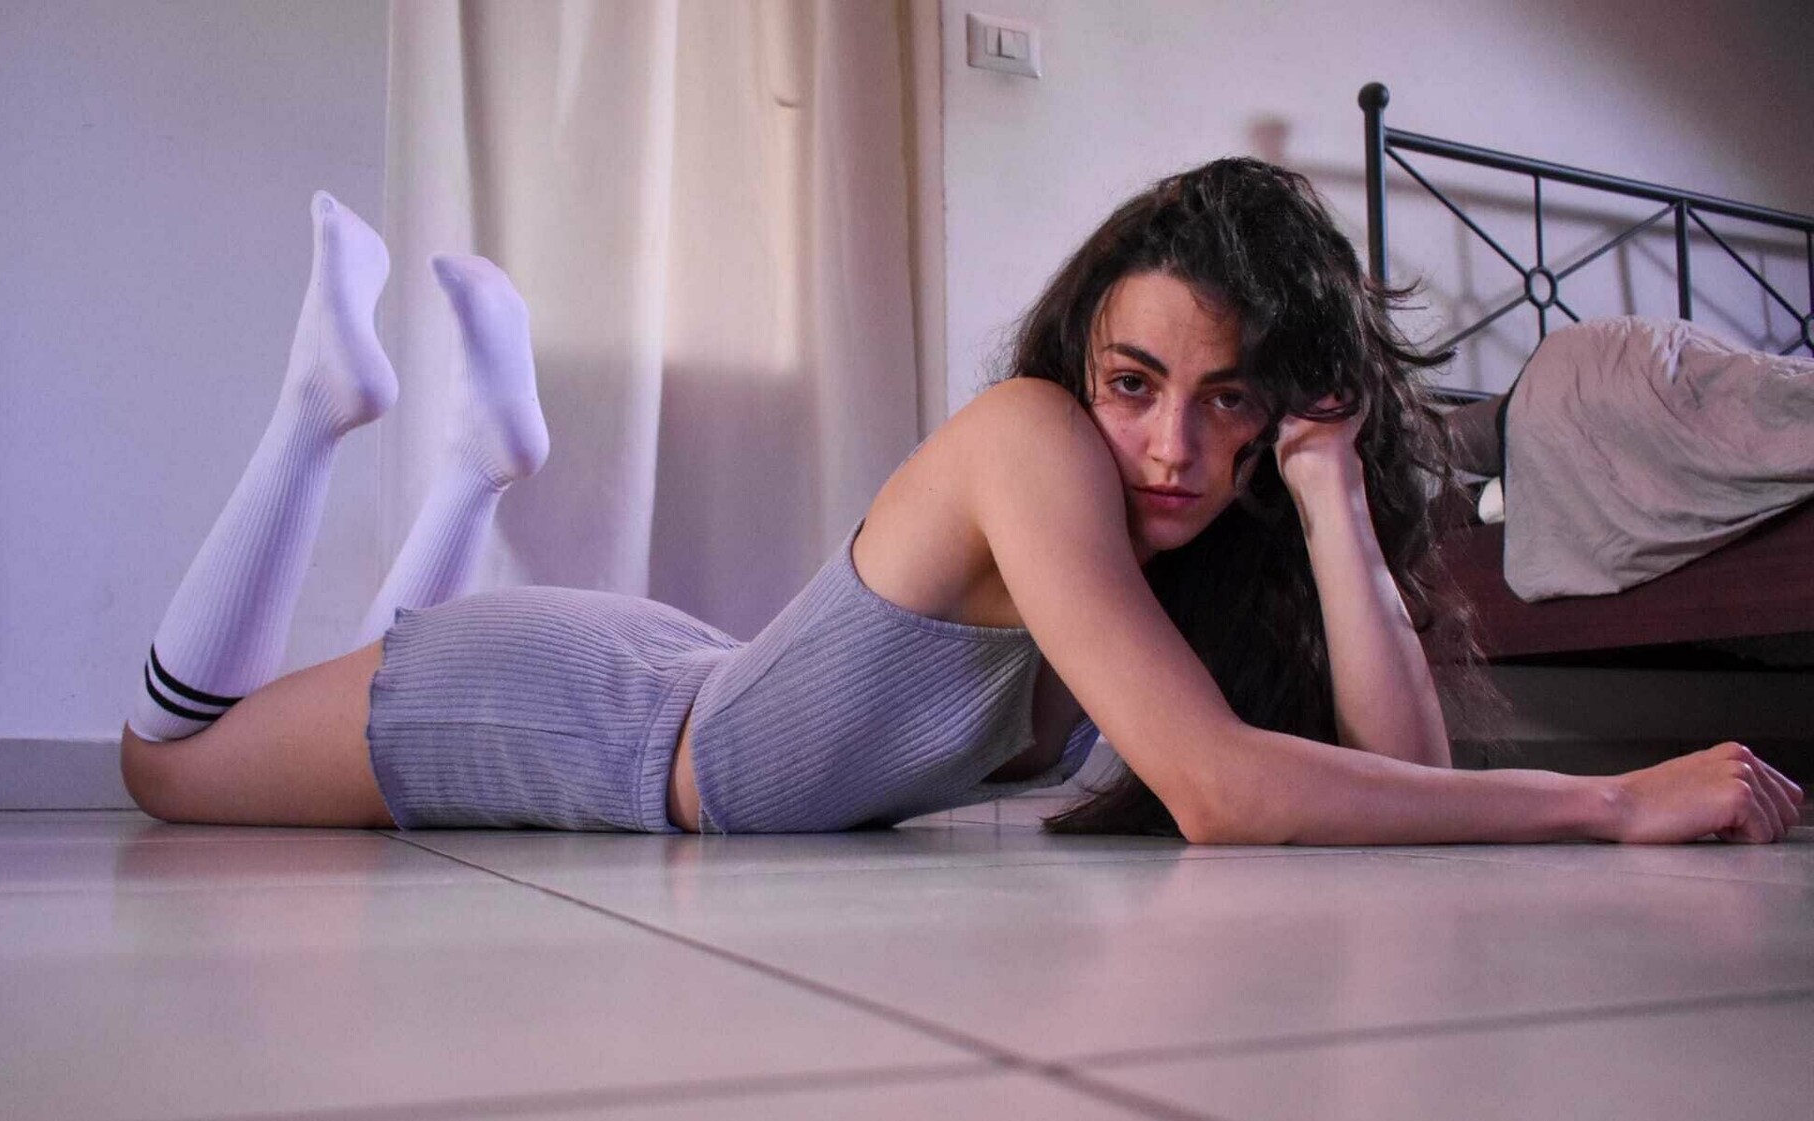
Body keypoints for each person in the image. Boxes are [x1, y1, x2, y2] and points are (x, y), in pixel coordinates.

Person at [121, 162, 1803, 844]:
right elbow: (1223, 792)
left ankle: (480, 468)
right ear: (1082, 361)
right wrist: (1604, 804)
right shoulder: (1029, 442)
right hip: (591, 719)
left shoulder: (1180, 526)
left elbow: (1402, 772)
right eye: (1134, 382)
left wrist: (1326, 497)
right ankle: (319, 414)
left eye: (1227, 401)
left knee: (319, 722)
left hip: (666, 672)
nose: (1168, 447)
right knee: (167, 769)